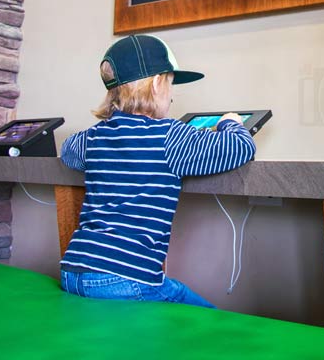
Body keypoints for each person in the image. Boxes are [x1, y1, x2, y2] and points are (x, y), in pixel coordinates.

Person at [59, 34, 256, 308]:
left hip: (73, 270)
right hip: (126, 279)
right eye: (171, 86)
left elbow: (68, 152)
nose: (172, 96)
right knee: (212, 321)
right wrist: (230, 122)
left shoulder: (94, 137)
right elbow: (239, 147)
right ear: (155, 85)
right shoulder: (170, 136)